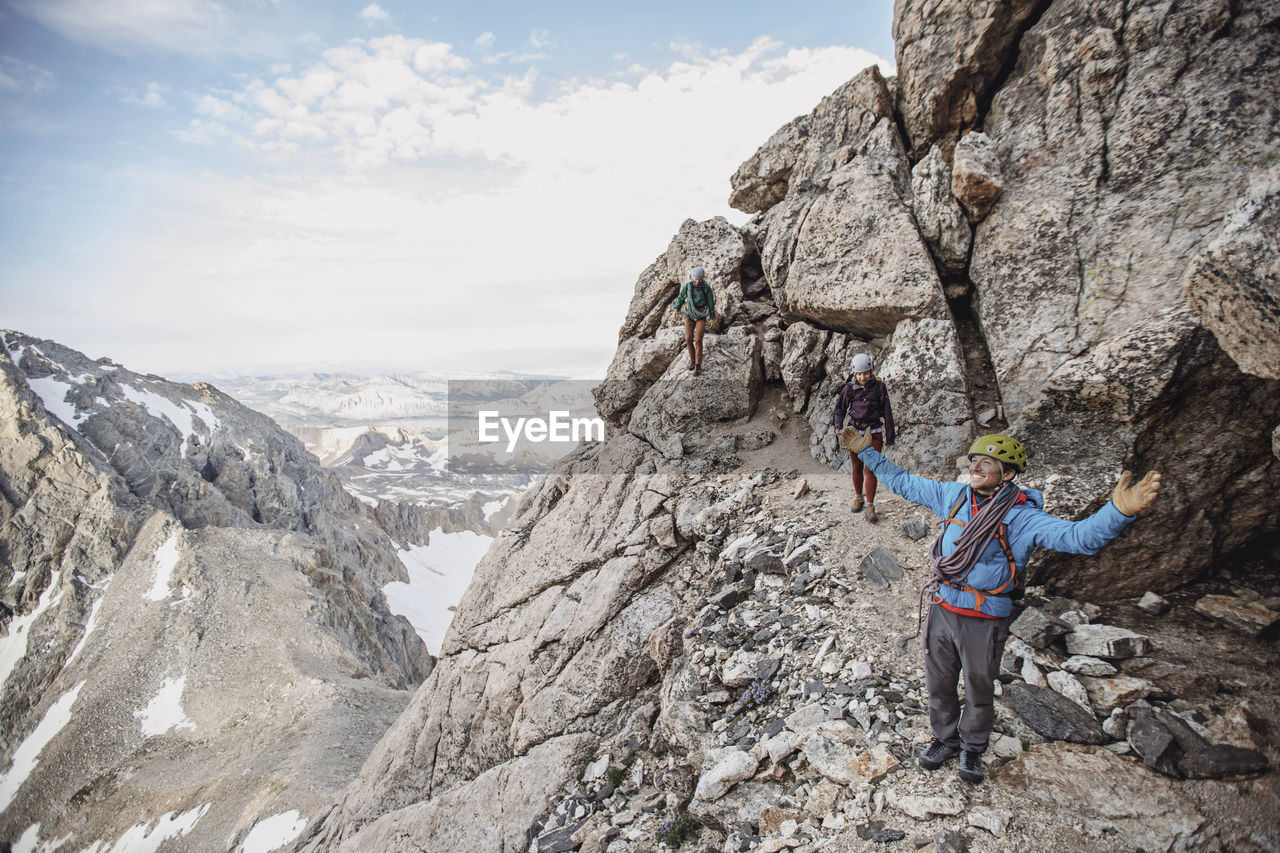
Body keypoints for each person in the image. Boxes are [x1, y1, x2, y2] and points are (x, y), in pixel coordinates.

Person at [838, 428, 1161, 784]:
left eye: (986, 462)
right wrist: (867, 452)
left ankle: (973, 747)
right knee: (939, 684)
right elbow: (902, 482)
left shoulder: (1022, 518)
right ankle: (944, 739)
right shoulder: (953, 496)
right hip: (943, 608)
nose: (975, 466)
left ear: (1007, 474)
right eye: (974, 459)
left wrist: (1118, 512)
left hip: (984, 619)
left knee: (979, 689)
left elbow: (1079, 538)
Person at [832, 354, 894, 522]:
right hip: (855, 433)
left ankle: (870, 504)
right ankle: (859, 496)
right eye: (859, 374)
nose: (862, 377)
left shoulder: (879, 387)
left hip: (874, 431)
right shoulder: (849, 389)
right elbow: (840, 408)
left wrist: (890, 436)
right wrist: (838, 426)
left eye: (865, 373)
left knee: (871, 468)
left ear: (871, 370)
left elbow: (887, 411)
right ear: (853, 373)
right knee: (857, 466)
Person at [672, 266, 716, 375]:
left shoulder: (707, 288)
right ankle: (692, 361)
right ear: (693, 277)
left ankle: (698, 365)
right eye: (695, 279)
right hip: (690, 316)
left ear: (702, 278)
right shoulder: (688, 287)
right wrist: (676, 309)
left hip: (701, 316)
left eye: (699, 279)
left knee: (698, 339)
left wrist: (712, 317)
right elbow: (681, 298)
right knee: (688, 339)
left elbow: (711, 303)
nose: (697, 281)